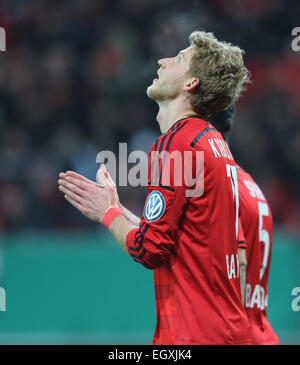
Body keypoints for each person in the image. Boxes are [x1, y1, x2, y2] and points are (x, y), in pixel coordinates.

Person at [58, 31, 251, 344]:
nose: (162, 61)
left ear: (190, 84)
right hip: (222, 330)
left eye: (177, 60)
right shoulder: (213, 143)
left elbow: (148, 250)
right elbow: (183, 242)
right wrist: (117, 208)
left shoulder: (177, 144)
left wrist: (106, 215)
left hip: (192, 336)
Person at [209, 104, 280, 345]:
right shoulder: (249, 183)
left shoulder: (219, 185)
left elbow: (238, 262)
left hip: (239, 337)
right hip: (260, 333)